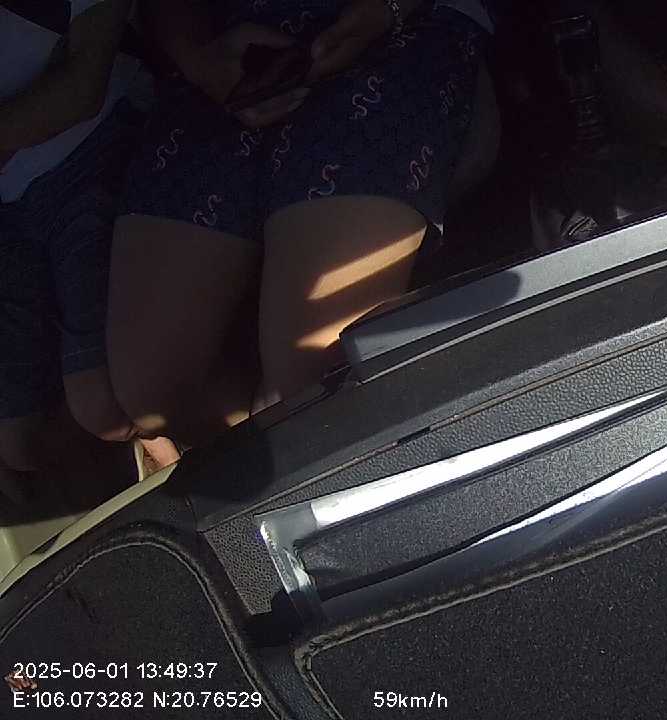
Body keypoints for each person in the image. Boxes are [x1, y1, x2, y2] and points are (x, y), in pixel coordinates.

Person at [109, 0, 494, 448]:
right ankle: (269, 443)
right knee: (152, 396)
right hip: (234, 51)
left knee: (313, 384)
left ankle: (300, 444)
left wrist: (386, 10)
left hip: (395, 31)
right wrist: (199, 56)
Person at [0, 0, 177, 498]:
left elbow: (81, 88)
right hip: (10, 209)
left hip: (94, 151)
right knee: (20, 445)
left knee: (108, 406)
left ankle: (171, 439)